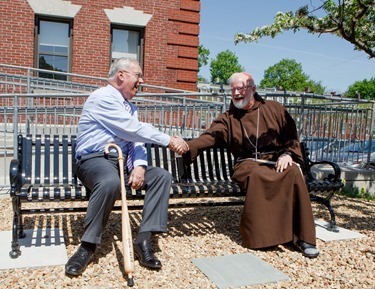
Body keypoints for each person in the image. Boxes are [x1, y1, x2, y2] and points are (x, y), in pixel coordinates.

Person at [65, 57, 189, 276]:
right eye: (138, 75)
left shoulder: (130, 107)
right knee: (110, 181)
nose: (141, 80)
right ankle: (87, 246)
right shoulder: (101, 97)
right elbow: (131, 129)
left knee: (161, 176)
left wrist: (140, 166)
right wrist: (170, 141)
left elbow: (137, 140)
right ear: (121, 75)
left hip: (122, 163)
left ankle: (143, 241)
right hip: (95, 160)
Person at [183, 72, 319, 258]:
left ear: (253, 89)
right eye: (234, 89)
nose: (237, 93)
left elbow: (291, 135)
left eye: (241, 88)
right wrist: (187, 146)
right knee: (259, 175)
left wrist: (287, 154)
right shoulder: (229, 118)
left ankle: (303, 237)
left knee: (293, 171)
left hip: (276, 159)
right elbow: (210, 136)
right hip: (247, 164)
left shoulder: (274, 109)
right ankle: (262, 237)